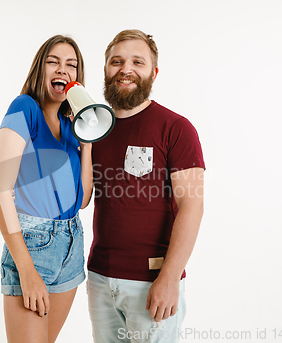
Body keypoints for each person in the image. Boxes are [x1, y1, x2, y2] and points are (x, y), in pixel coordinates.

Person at [87, 29, 205, 343]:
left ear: (153, 73)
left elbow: (192, 206)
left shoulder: (176, 128)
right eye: (117, 61)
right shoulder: (96, 129)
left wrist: (169, 277)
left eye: (137, 62)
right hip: (99, 277)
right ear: (106, 71)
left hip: (151, 282)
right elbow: (84, 197)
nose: (126, 69)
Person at [0, 35, 93, 343]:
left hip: (71, 243)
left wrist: (85, 143)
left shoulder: (70, 124)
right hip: (33, 246)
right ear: (40, 69)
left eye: (71, 65)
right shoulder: (25, 108)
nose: (63, 70)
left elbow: (84, 199)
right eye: (53, 62)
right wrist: (26, 269)